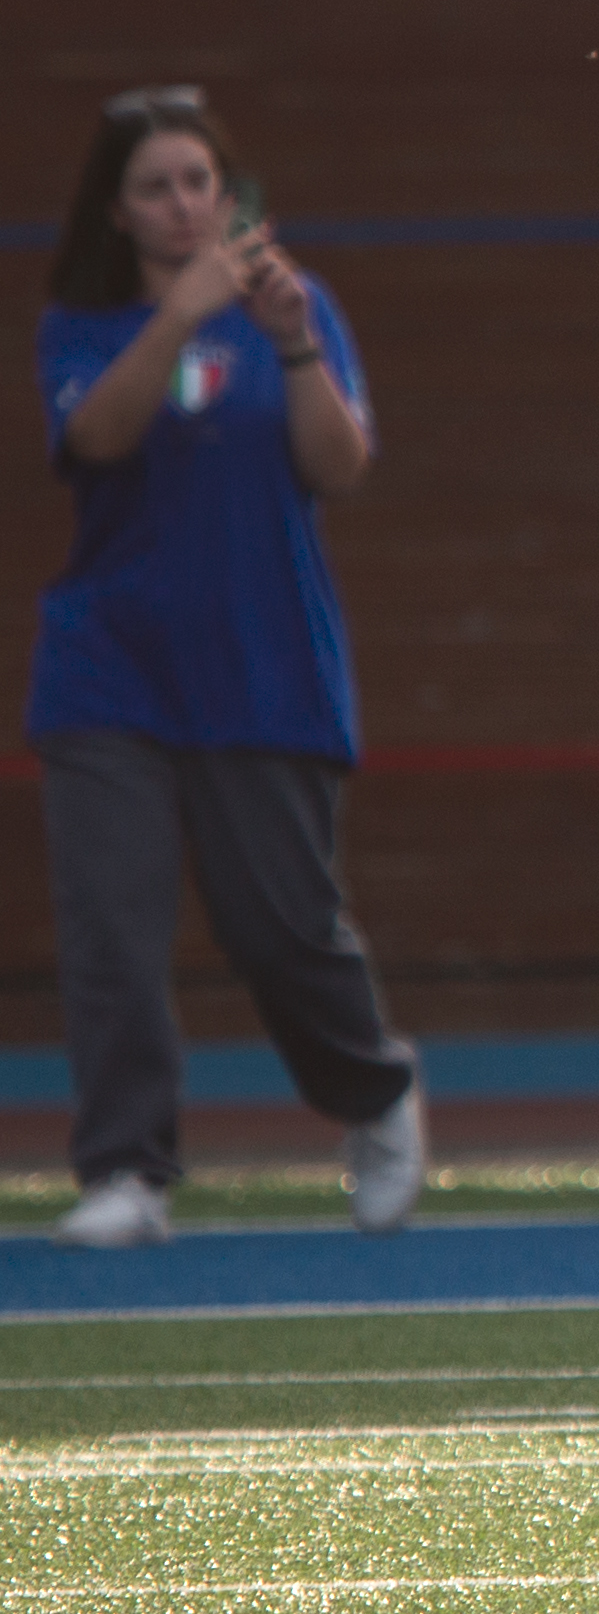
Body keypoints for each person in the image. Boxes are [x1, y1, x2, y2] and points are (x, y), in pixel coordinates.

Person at [34, 92, 419, 1248]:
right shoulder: (85, 323)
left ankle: (375, 1093)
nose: (181, 204)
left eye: (198, 182)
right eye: (155, 186)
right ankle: (128, 1171)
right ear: (119, 209)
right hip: (112, 668)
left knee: (280, 929)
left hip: (263, 659)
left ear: (228, 194)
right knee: (113, 926)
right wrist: (178, 319)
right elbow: (97, 440)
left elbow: (339, 465)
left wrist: (293, 339)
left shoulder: (296, 311)